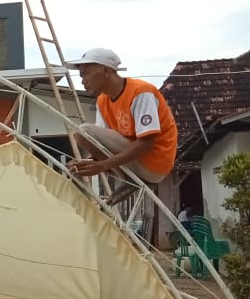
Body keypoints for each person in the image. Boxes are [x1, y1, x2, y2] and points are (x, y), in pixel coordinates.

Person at [66, 47, 178, 204]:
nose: (83, 81)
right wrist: (88, 163)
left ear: (106, 71)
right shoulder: (102, 101)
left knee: (83, 131)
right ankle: (127, 178)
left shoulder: (141, 92)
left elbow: (147, 143)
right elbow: (101, 145)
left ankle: (128, 178)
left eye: (85, 74)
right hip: (136, 160)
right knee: (84, 136)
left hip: (154, 161)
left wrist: (103, 166)